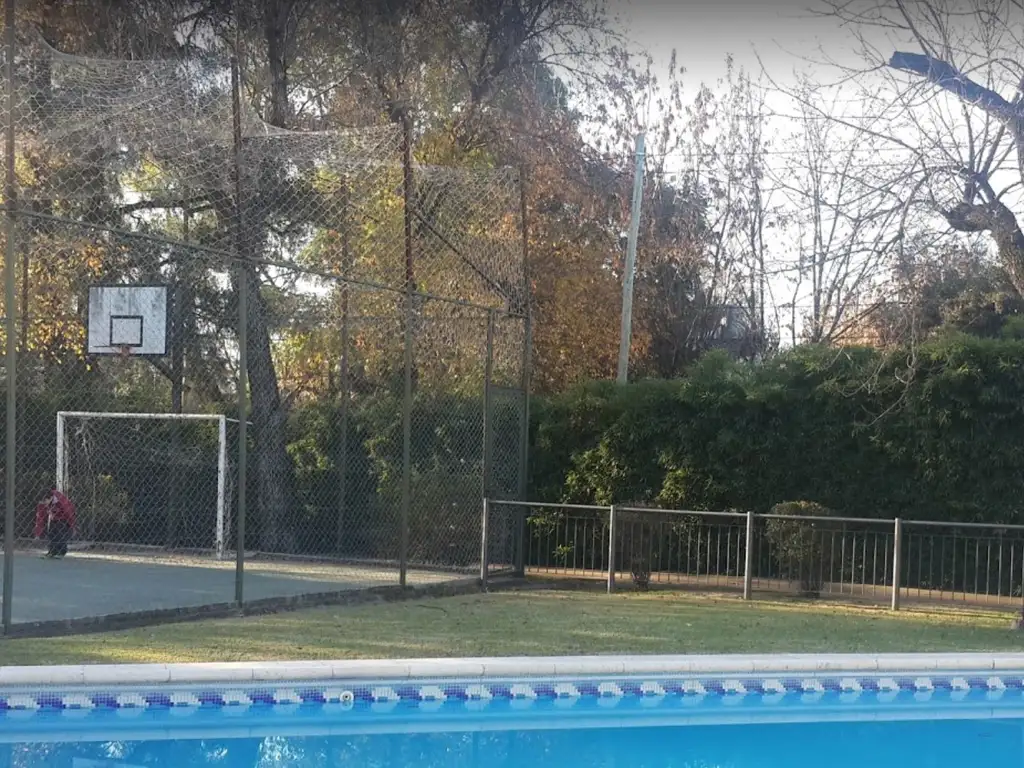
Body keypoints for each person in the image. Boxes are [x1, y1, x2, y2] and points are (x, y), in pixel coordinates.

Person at [33, 487, 76, 559]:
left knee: (60, 530)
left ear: (50, 498)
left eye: (45, 502)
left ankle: (61, 551)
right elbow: (39, 518)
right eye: (42, 502)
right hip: (53, 516)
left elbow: (69, 513)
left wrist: (72, 526)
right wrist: (37, 534)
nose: (44, 504)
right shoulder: (42, 503)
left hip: (64, 517)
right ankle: (52, 551)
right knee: (50, 531)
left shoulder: (60, 500)